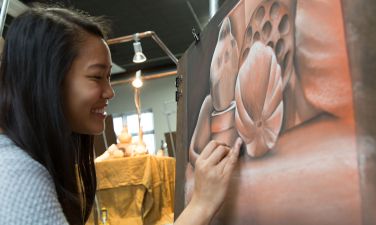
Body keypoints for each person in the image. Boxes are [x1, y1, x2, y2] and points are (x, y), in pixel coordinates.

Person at [0, 5, 242, 225]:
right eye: (96, 77)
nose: (110, 92)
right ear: (48, 81)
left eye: (109, 77)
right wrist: (201, 205)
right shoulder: (18, 177)